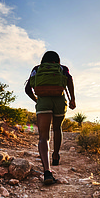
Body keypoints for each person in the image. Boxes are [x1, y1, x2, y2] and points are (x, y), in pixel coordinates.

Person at [25, 51, 76, 185]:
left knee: (43, 137)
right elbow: (69, 80)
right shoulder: (62, 69)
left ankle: (47, 171)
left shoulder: (37, 69)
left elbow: (27, 89)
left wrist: (37, 100)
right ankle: (55, 155)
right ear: (57, 60)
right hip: (59, 101)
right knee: (57, 128)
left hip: (43, 102)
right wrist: (72, 99)